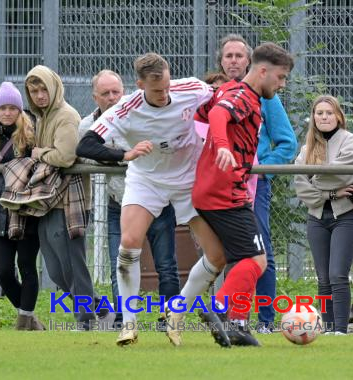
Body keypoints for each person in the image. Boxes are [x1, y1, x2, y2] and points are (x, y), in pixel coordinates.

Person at [77, 53, 226, 346]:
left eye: (167, 86)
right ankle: (129, 325)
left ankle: (176, 311)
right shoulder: (125, 108)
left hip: (188, 182)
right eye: (157, 90)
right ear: (140, 84)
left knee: (218, 255)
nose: (164, 94)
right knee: (129, 242)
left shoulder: (192, 88)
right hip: (146, 182)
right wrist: (124, 154)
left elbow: (223, 102)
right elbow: (87, 143)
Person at [193, 42, 294, 347]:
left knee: (247, 261)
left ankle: (237, 324)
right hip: (225, 192)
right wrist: (222, 147)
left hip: (217, 188)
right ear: (262, 71)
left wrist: (209, 150)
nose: (282, 84)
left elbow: (200, 115)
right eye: (280, 77)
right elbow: (219, 117)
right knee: (257, 260)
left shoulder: (227, 90)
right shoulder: (244, 96)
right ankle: (220, 310)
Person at [77, 69, 180, 327]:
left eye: (116, 92)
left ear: (125, 91)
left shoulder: (138, 113)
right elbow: (86, 153)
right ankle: (124, 319)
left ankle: (169, 318)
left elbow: (156, 150)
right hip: (119, 202)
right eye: (105, 93)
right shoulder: (88, 125)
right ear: (95, 97)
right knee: (118, 264)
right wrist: (125, 155)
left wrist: (115, 154)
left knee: (166, 264)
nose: (112, 98)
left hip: (156, 200)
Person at [216, 33, 299, 333]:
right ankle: (230, 315)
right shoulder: (217, 92)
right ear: (221, 61)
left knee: (259, 250)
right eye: (229, 56)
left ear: (251, 62)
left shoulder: (267, 96)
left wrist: (262, 170)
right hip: (220, 183)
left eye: (240, 55)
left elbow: (288, 143)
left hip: (253, 185)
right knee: (221, 254)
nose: (234, 60)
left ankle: (264, 320)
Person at [24, 65, 98, 328]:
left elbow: (65, 156)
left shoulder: (66, 116)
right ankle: (100, 309)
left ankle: (86, 319)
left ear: (54, 87)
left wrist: (39, 153)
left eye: (44, 89)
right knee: (56, 270)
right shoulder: (42, 117)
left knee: (71, 266)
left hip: (68, 201)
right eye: (34, 91)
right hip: (47, 201)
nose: (40, 95)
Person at [0, 82, 43, 330]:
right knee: (3, 271)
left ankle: (24, 321)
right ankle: (29, 318)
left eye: (12, 107)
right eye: (1, 108)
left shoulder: (32, 133)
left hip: (26, 211)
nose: (7, 112)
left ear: (19, 109)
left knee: (27, 267)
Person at [293, 95, 353, 335]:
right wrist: (331, 193)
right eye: (319, 113)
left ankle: (341, 330)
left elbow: (339, 173)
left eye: (329, 113)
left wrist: (315, 179)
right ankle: (328, 328)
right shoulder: (307, 148)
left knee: (337, 274)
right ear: (313, 117)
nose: (324, 117)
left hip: (346, 217)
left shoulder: (351, 141)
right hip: (317, 218)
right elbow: (301, 184)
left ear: (339, 116)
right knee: (323, 277)